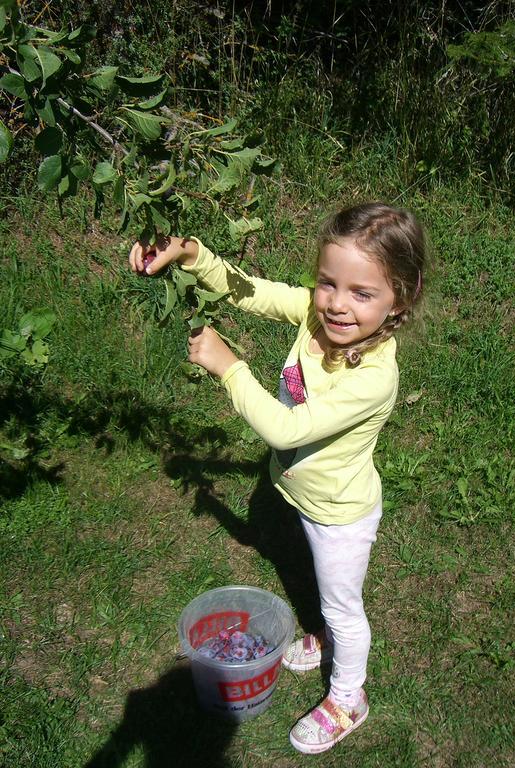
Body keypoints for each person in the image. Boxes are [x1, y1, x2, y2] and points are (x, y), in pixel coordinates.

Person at [129, 202, 427, 754]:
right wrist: (192, 253)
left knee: (344, 605)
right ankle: (321, 635)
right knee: (317, 581)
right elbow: (253, 292)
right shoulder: (318, 320)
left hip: (340, 514)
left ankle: (348, 697)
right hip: (304, 496)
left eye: (362, 293)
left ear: (399, 299)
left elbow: (287, 430)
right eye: (327, 283)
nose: (338, 304)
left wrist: (229, 366)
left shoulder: (374, 379)